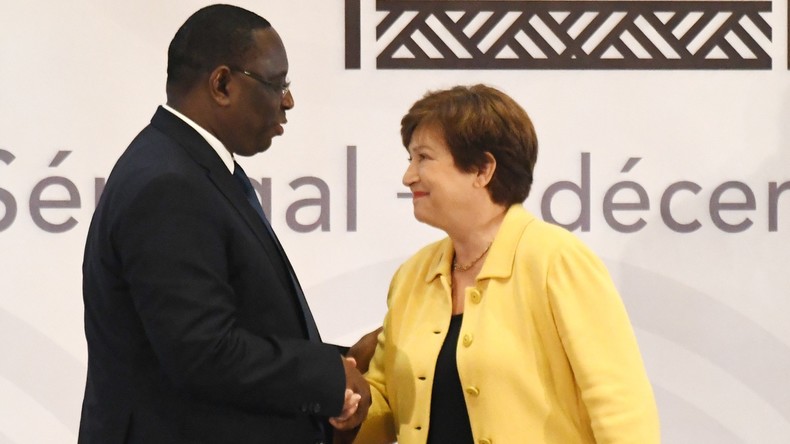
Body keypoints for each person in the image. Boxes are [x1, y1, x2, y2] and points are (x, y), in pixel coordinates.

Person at [79, 5, 370, 443]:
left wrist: (343, 361)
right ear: (222, 84)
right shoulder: (169, 184)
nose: (288, 101)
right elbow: (203, 352)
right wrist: (329, 380)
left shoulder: (190, 168)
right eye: (277, 84)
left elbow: (232, 330)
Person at [352, 85, 660, 443]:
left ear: (482, 169)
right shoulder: (411, 277)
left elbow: (621, 409)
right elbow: (385, 408)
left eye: (424, 157)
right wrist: (346, 402)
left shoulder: (555, 259)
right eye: (410, 159)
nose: (409, 176)